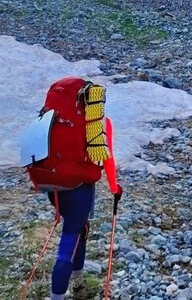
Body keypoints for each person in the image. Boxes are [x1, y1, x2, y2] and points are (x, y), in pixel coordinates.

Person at [24, 77, 123, 300]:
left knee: (78, 228)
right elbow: (108, 160)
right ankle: (58, 294)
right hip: (79, 188)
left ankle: (77, 280)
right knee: (69, 239)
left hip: (52, 185)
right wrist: (115, 188)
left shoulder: (51, 118)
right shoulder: (98, 124)